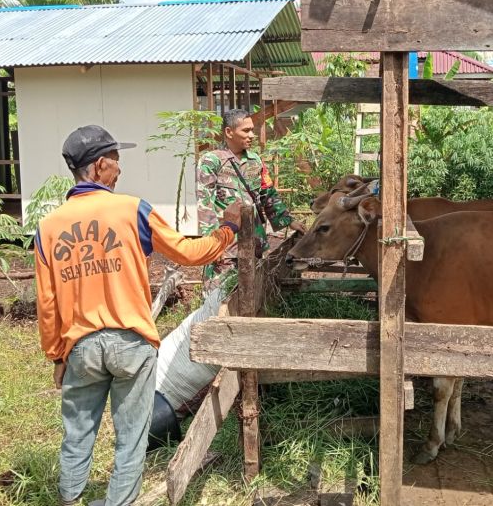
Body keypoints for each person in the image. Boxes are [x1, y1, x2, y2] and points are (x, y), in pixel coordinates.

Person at [34, 124, 241, 506]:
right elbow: (189, 254)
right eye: (116, 161)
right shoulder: (131, 210)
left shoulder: (47, 228)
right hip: (131, 345)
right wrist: (228, 228)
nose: (120, 168)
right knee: (131, 438)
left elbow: (47, 304)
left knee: (77, 431)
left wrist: (57, 356)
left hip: (81, 346)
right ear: (98, 167)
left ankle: (69, 500)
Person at [196, 108, 305, 284]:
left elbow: (268, 194)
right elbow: (205, 205)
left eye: (252, 129)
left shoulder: (255, 161)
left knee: (251, 293)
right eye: (246, 130)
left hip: (254, 242)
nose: (252, 135)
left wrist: (289, 221)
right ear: (229, 132)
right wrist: (213, 246)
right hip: (226, 246)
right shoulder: (211, 161)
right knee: (220, 295)